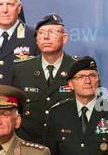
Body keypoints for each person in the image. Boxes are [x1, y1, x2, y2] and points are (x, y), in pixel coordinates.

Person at [9, 14, 78, 144]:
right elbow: (14, 110)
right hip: (30, 146)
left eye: (52, 32)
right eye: (41, 33)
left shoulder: (77, 68)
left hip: (68, 146)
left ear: (64, 38)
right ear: (36, 40)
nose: (46, 37)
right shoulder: (21, 69)